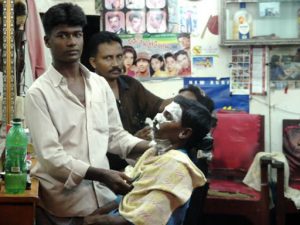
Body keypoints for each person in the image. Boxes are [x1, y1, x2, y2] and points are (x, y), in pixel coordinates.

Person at [24, 4, 149, 224]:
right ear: (47, 42)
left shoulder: (99, 84)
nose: (71, 42)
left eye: (77, 35)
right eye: (62, 35)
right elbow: (52, 157)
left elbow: (115, 135)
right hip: (62, 205)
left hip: (104, 199)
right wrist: (101, 174)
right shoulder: (38, 94)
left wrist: (152, 148)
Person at [83, 95, 212, 225]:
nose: (157, 118)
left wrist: (98, 220)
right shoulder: (153, 152)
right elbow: (129, 193)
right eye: (161, 112)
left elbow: (144, 218)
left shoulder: (177, 165)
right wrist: (99, 213)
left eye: (167, 117)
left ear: (184, 133)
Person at [87, 31, 171, 171]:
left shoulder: (130, 85)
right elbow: (97, 141)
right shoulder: (88, 92)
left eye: (119, 57)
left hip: (137, 163)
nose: (116, 63)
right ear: (93, 62)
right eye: (108, 58)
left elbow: (159, 106)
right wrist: (132, 140)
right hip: (105, 169)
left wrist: (186, 97)